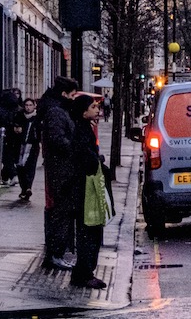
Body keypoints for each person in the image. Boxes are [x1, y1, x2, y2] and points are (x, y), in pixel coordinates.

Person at [38, 76, 82, 269]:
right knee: (60, 212)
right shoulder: (56, 112)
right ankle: (55, 254)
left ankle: (56, 253)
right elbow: (57, 140)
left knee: (61, 212)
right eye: (72, 95)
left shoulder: (59, 110)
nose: (74, 98)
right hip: (60, 170)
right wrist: (75, 147)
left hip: (62, 169)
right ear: (64, 94)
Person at [67, 92, 109, 290]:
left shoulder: (84, 128)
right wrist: (99, 161)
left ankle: (83, 272)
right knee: (88, 232)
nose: (97, 109)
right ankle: (84, 273)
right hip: (85, 190)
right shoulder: (81, 132)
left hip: (83, 189)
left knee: (89, 231)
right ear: (83, 112)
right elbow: (87, 160)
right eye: (93, 107)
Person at [0, 88, 24, 187]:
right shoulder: (17, 109)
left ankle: (7, 176)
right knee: (10, 156)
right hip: (14, 135)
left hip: (4, 135)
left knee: (6, 156)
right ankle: (7, 176)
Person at [13, 95, 41, 203]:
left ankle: (28, 187)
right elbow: (14, 127)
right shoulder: (19, 116)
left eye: (30, 105)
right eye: (26, 105)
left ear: (34, 106)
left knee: (30, 166)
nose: (28, 107)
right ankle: (23, 188)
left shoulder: (37, 118)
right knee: (20, 167)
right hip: (20, 145)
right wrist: (16, 129)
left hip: (33, 146)